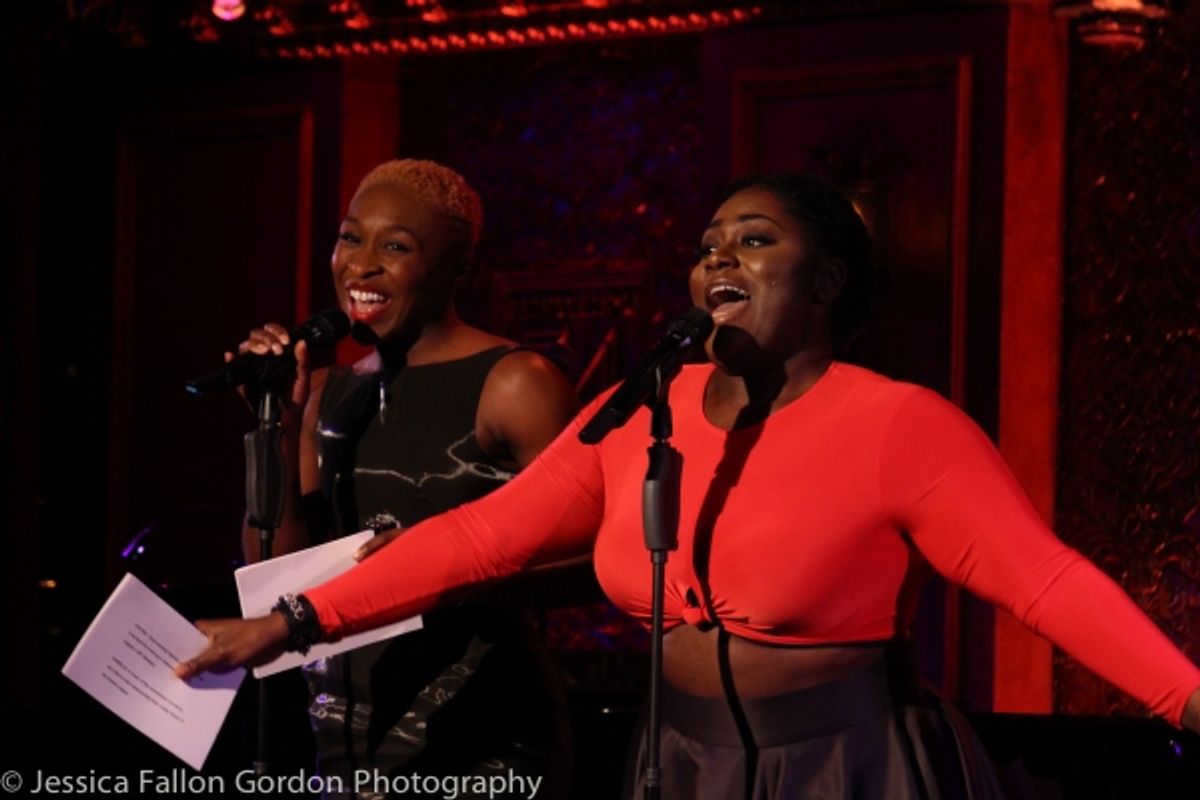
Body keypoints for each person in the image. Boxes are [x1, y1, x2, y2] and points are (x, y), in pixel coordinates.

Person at [183, 173, 1200, 799]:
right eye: (710, 242)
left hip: (849, 769)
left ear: (827, 280)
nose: (719, 254)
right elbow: (482, 535)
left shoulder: (899, 424)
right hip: (681, 766)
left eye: (754, 239)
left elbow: (1048, 584)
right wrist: (296, 617)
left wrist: (1188, 697)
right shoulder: (643, 406)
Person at [230, 159, 578, 798]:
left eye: (396, 247)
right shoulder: (327, 392)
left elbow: (589, 562)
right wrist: (275, 424)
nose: (361, 264)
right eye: (350, 237)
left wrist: (441, 570)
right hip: (346, 725)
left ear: (456, 269)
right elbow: (275, 574)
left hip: (477, 730)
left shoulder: (515, 382)